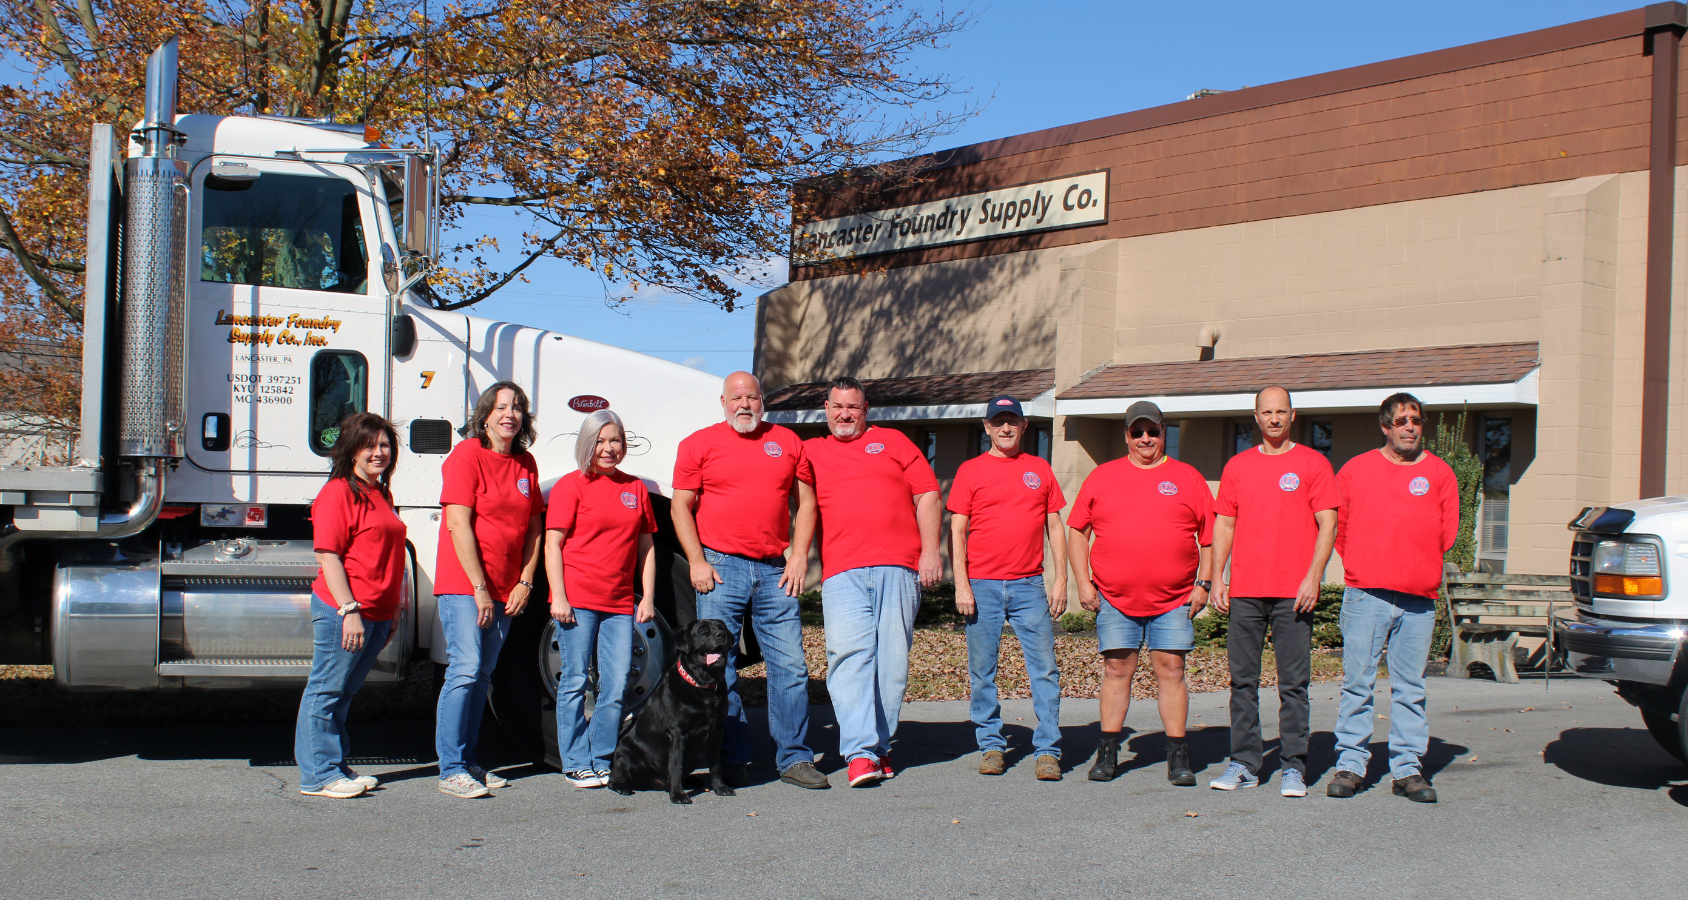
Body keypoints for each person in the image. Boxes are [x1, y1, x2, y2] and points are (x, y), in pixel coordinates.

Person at [671, 372, 827, 790]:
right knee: (720, 667)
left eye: (752, 397)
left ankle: (793, 758)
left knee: (790, 665)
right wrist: (697, 562)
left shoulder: (789, 443)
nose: (745, 405)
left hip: (775, 569)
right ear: (722, 401)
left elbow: (807, 503)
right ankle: (730, 758)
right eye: (736, 397)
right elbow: (680, 508)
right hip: (722, 568)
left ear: (763, 401)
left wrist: (798, 556)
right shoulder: (697, 444)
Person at [793, 377, 941, 788]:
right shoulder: (811, 451)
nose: (845, 414)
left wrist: (931, 552)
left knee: (891, 662)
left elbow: (928, 494)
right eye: (838, 407)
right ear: (826, 408)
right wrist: (798, 554)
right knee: (849, 655)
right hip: (842, 570)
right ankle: (859, 752)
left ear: (866, 409)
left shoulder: (894, 442)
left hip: (899, 566)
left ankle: (878, 746)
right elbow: (802, 503)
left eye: (853, 407)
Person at [1068, 400, 1213, 787]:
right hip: (1115, 598)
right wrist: (1083, 582)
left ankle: (1178, 756)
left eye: (1153, 431)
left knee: (1172, 671)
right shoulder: (1102, 477)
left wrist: (1204, 583)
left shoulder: (1189, 477)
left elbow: (1210, 538)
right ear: (1127, 435)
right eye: (1137, 432)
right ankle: (1108, 752)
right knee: (1117, 670)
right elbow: (1077, 532)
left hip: (1174, 599)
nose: (1145, 438)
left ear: (1165, 433)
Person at [1207, 386, 1338, 797]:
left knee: (1293, 684)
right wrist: (1216, 578)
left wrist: (1314, 576)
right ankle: (1245, 763)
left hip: (1293, 593)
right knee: (1242, 681)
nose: (1275, 419)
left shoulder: (1313, 464)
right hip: (1246, 590)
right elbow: (1224, 524)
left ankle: (1294, 766)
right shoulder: (1238, 466)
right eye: (1267, 412)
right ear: (1257, 417)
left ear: (1293, 415)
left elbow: (1328, 523)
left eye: (1281, 411)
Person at [1327, 392, 1458, 803]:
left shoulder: (1440, 474)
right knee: (1358, 684)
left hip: (1418, 600)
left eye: (1415, 420)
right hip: (1367, 595)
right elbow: (1339, 527)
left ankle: (1407, 769)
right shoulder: (1355, 470)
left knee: (1411, 688)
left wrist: (1414, 564)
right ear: (1385, 426)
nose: (1409, 427)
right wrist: (1367, 564)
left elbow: (1446, 532)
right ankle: (1351, 764)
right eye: (1401, 421)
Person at [948, 395, 1068, 781]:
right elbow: (957, 529)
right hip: (981, 585)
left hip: (1029, 585)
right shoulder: (970, 471)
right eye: (998, 422)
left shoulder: (1039, 469)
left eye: (1012, 422)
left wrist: (1060, 579)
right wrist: (961, 586)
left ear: (1023, 426)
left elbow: (1054, 526)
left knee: (1044, 670)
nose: (1005, 429)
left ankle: (1048, 750)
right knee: (982, 672)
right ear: (986, 428)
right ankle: (991, 746)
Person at [434, 381, 544, 798]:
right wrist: (479, 588)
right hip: (466, 584)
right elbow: (458, 523)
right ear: (484, 416)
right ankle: (450, 769)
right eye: (501, 407)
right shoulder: (467, 455)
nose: (509, 414)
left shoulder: (526, 463)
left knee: (482, 675)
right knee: (464, 668)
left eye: (517, 408)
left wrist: (525, 581)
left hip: (505, 588)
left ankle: (468, 761)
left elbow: (534, 528)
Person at [295, 413, 407, 798]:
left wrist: (391, 610)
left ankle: (336, 764)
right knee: (326, 690)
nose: (379, 453)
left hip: (376, 612)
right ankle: (319, 775)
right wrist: (349, 612)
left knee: (343, 692)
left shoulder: (380, 492)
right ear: (352, 450)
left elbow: (387, 556)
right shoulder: (337, 493)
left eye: (385, 445)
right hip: (344, 611)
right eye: (370, 445)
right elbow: (330, 557)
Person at [547, 408, 659, 788]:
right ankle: (576, 761)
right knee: (575, 681)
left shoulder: (636, 489)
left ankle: (602, 758)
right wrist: (558, 596)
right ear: (587, 443)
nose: (608, 448)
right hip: (577, 600)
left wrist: (647, 598)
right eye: (600, 440)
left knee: (614, 685)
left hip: (618, 604)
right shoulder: (571, 485)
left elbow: (646, 548)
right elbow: (553, 544)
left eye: (615, 440)